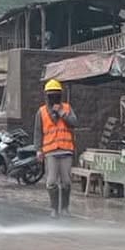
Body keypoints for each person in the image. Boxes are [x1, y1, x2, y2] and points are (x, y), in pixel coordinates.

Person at [34, 79, 78, 218]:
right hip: (50, 151)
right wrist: (38, 149)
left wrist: (62, 113)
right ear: (46, 96)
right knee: (51, 181)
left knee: (66, 182)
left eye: (56, 94)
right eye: (51, 95)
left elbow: (74, 123)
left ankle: (64, 208)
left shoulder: (67, 108)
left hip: (66, 150)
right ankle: (54, 209)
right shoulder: (41, 111)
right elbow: (38, 132)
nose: (54, 98)